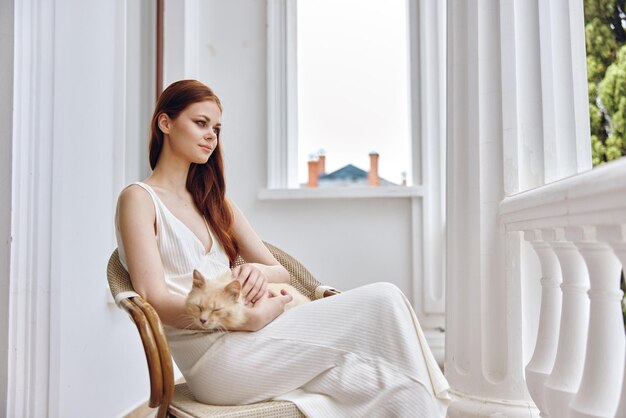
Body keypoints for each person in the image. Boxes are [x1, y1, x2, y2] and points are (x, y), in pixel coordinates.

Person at [115, 79, 450, 417]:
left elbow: (280, 273)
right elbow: (154, 298)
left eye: (216, 128)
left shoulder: (216, 204)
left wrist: (256, 272)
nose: (211, 136)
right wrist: (242, 319)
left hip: (259, 340)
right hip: (215, 362)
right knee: (384, 298)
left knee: (387, 382)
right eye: (200, 123)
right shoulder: (139, 200)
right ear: (165, 123)